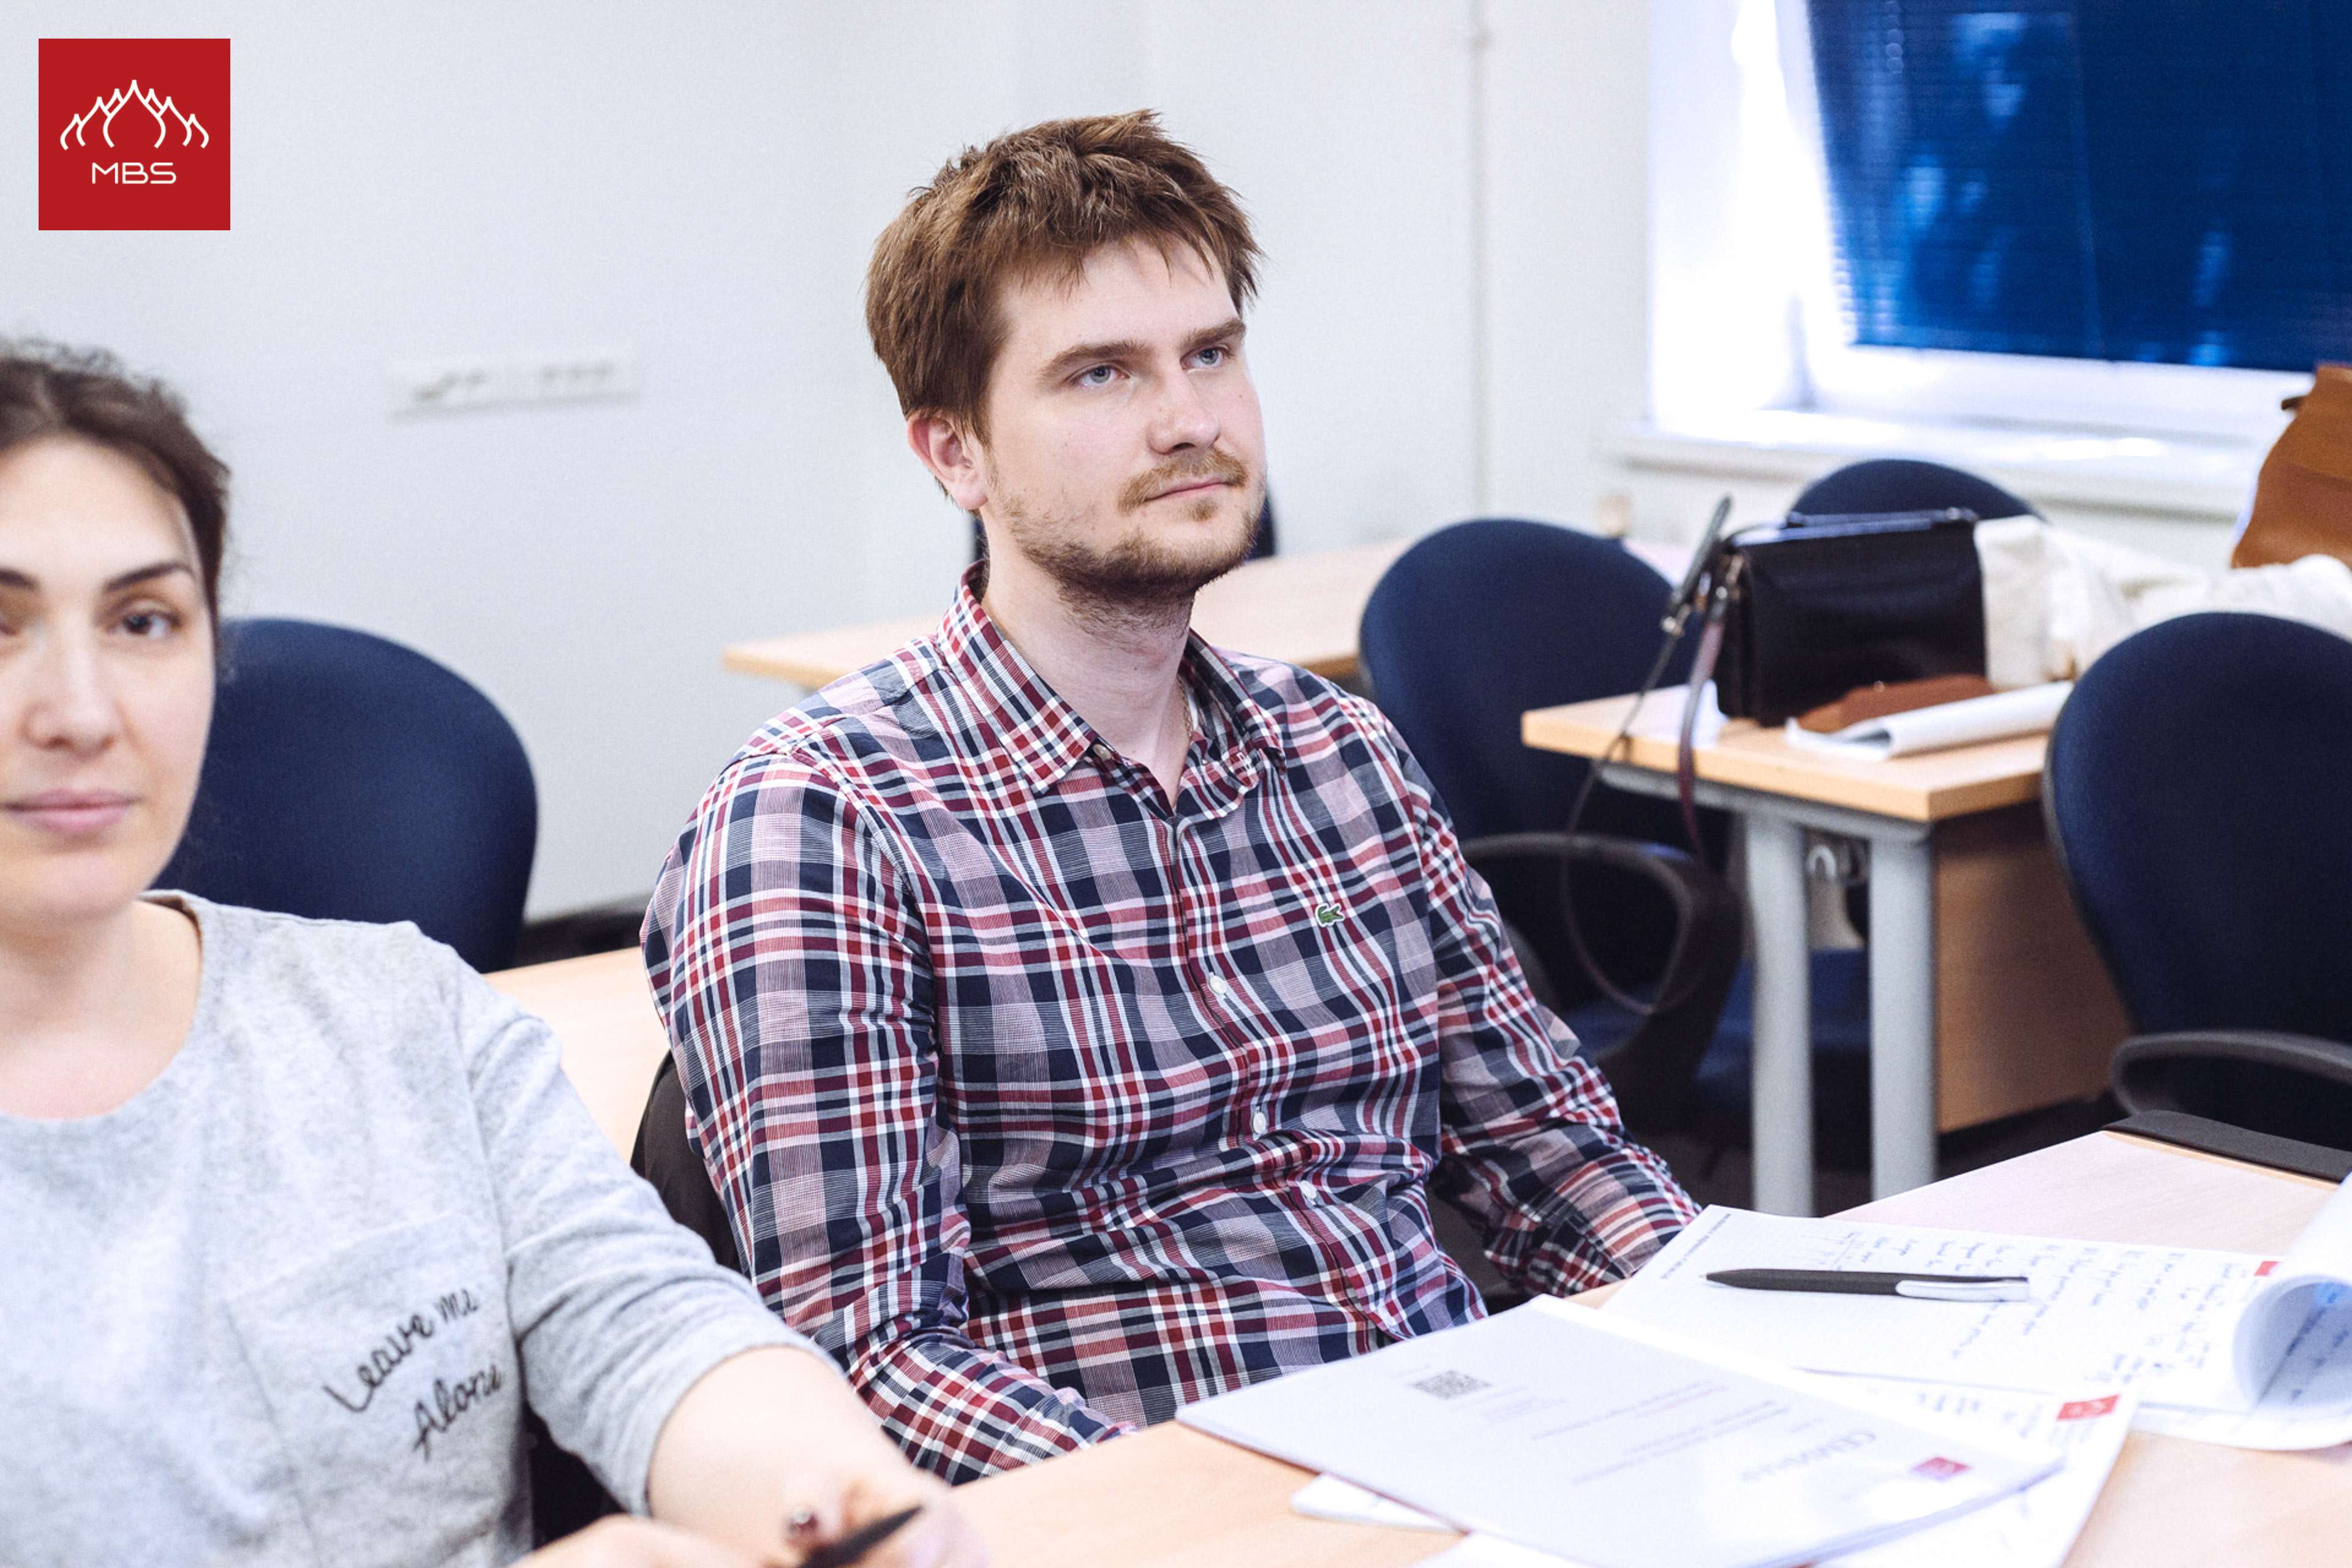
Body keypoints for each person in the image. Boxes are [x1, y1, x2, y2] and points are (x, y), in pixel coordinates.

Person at [643, 111, 1697, 1486]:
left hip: (1468, 1454)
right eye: (1100, 374)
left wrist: (1757, 1355)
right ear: (954, 453)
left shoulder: (1340, 752)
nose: (1191, 418)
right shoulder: (820, 824)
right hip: (1145, 1501)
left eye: (1210, 354)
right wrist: (1245, 1509)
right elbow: (871, 1362)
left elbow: (1559, 1159)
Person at [0, 345, 986, 1568]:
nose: (82, 712)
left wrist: (831, 1494)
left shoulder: (399, 1012)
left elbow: (644, 1323)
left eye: (144, 621)